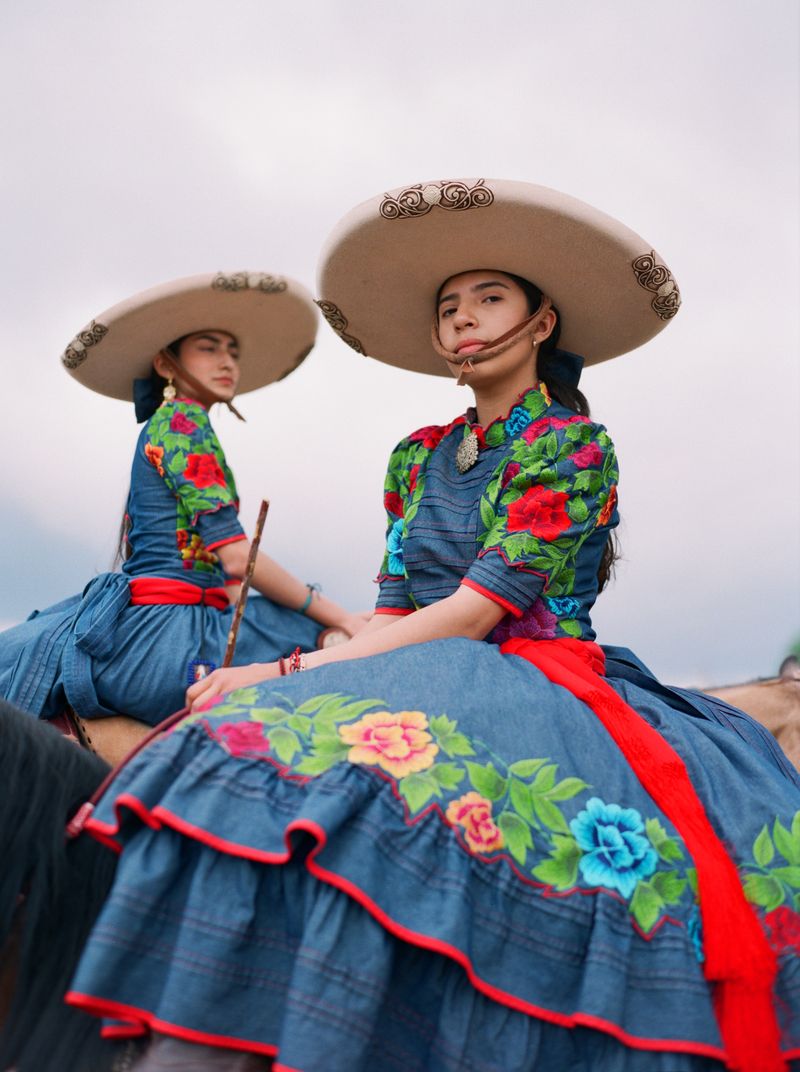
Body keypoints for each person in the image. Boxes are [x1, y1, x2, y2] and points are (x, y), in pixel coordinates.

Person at [67, 184, 799, 1071]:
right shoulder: (414, 455)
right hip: (422, 660)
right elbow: (393, 611)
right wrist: (323, 666)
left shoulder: (572, 447)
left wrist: (284, 669)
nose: (462, 322)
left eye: (489, 299)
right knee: (242, 751)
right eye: (448, 308)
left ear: (542, 322)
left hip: (532, 676)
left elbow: (471, 612)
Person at [0, 271, 365, 727]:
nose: (228, 361)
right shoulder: (181, 424)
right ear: (166, 365)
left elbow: (228, 579)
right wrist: (343, 618)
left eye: (232, 351)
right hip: (166, 633)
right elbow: (235, 559)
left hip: (189, 613)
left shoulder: (184, 425)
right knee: (332, 643)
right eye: (209, 348)